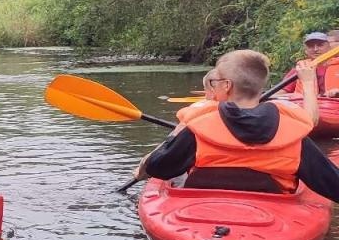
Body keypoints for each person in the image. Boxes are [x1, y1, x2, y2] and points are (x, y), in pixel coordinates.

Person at [137, 51, 339, 199]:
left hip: (204, 209)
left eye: (216, 82)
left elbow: (157, 168)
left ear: (227, 85)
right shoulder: (295, 136)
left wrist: (171, 139)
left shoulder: (198, 127)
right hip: (271, 210)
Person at [281, 32, 335, 100]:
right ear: (306, 50)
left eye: (320, 45)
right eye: (310, 46)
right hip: (305, 105)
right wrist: (294, 96)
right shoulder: (300, 69)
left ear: (330, 47)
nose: (315, 49)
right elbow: (279, 93)